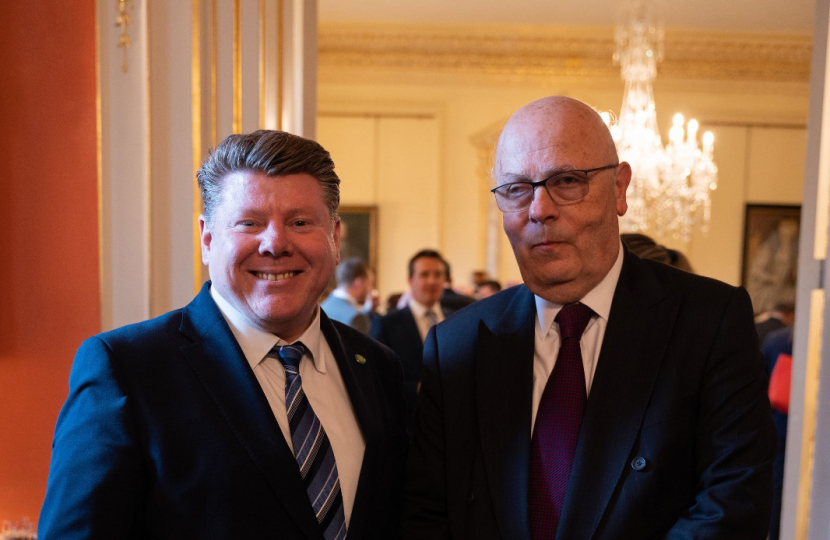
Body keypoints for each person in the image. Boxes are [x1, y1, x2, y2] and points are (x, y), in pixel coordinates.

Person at [404, 96, 776, 540]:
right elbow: (425, 514)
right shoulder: (458, 345)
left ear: (619, 188)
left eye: (566, 181)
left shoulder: (709, 322)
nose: (539, 209)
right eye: (517, 189)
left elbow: (732, 505)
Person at [39, 130, 408, 539]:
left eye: (300, 222)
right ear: (207, 239)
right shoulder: (126, 369)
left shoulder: (376, 366)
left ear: (335, 238)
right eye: (249, 222)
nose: (275, 243)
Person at [372, 249, 452, 429]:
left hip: (451, 426)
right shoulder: (388, 324)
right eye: (424, 275)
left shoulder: (458, 320)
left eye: (438, 274)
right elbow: (377, 377)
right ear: (410, 280)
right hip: (407, 426)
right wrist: (414, 389)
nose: (432, 281)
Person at [321, 256, 375, 334]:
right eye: (369, 284)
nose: (371, 289)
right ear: (358, 282)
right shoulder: (356, 318)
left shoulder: (320, 309)